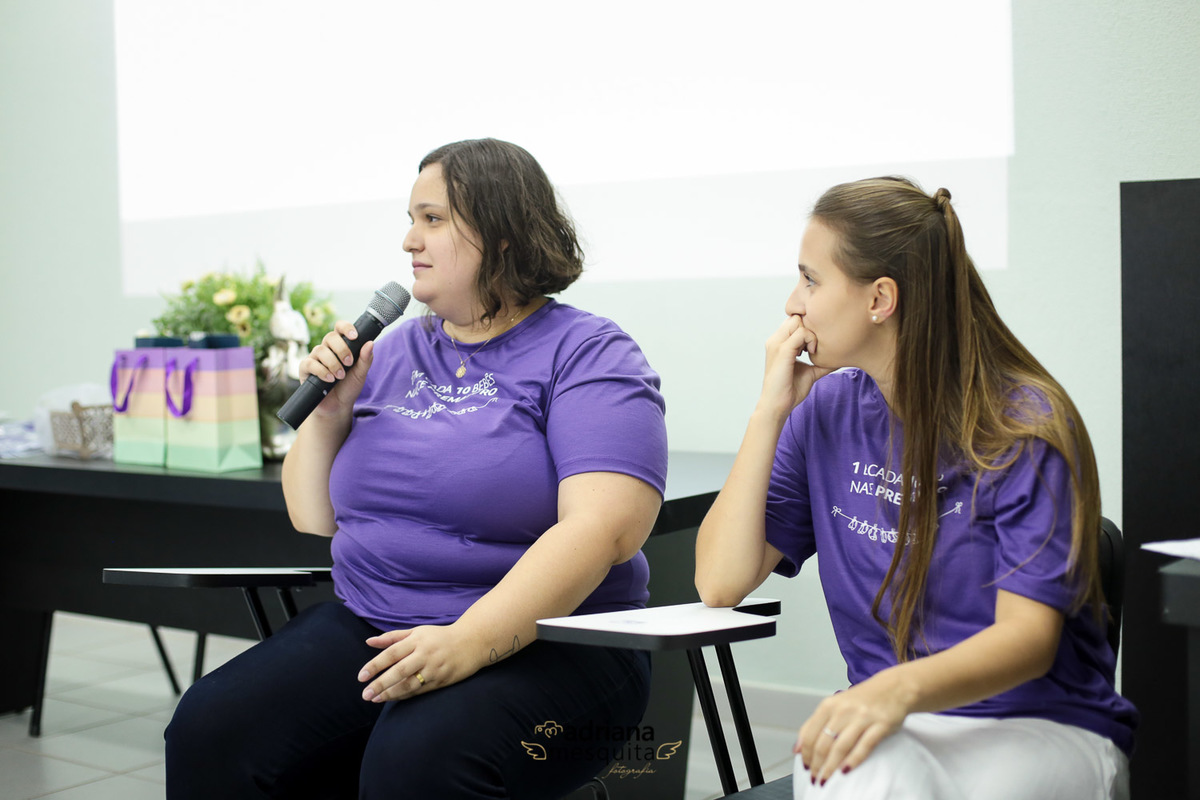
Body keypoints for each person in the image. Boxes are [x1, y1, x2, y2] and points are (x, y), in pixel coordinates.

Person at [165, 138, 669, 799]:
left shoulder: (588, 352)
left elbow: (605, 530)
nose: (410, 240)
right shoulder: (391, 349)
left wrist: (469, 642)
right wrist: (329, 415)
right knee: (211, 728)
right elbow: (313, 517)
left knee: (417, 762)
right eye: (411, 219)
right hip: (376, 621)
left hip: (557, 642)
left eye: (432, 219)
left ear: (504, 234)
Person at [694, 177, 1136, 799]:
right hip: (896, 726)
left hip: (1039, 726)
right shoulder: (824, 411)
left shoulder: (1024, 425)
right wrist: (768, 414)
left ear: (880, 298)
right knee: (854, 774)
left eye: (811, 279)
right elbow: (720, 581)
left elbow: (1028, 641)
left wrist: (890, 691)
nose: (793, 303)